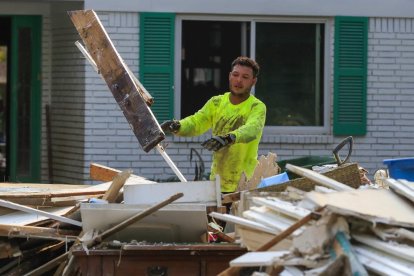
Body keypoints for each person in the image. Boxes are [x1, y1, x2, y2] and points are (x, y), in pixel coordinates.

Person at [161, 56, 266, 193]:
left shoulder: (257, 106)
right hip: (216, 183)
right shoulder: (216, 103)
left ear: (253, 81)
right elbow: (197, 122)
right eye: (235, 75)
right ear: (230, 76)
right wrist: (177, 126)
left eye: (245, 77)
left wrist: (228, 138)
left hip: (244, 184)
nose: (239, 80)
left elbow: (252, 129)